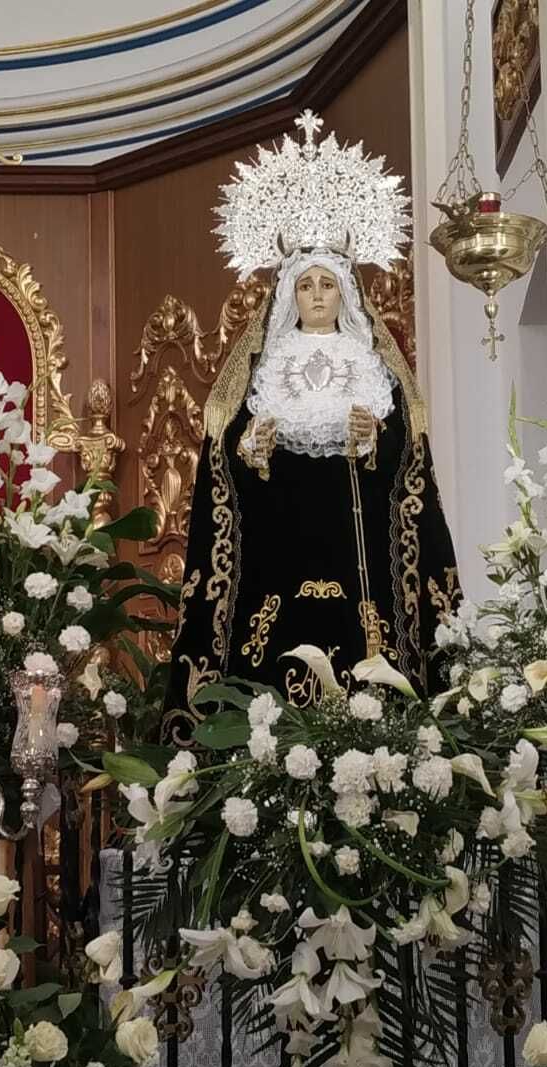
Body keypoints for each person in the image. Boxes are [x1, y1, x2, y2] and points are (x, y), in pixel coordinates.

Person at [161, 248, 460, 741]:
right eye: (306, 285)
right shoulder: (261, 370)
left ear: (345, 292)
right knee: (274, 653)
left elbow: (409, 464)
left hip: (357, 548)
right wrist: (253, 446)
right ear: (289, 296)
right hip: (281, 550)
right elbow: (226, 465)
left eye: (327, 284)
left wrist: (375, 438)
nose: (318, 295)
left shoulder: (375, 367)